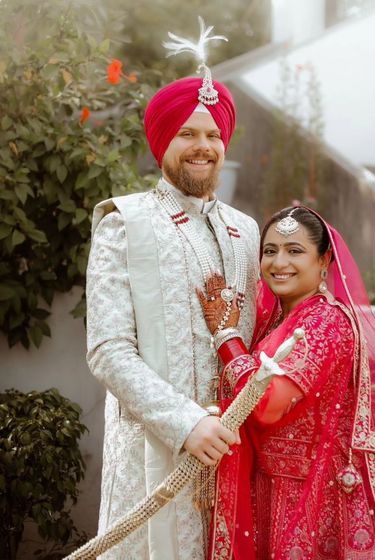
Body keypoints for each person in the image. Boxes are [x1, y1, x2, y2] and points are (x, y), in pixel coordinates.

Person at [86, 76, 260, 559]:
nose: (202, 146)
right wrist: (185, 423)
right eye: (187, 133)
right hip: (154, 452)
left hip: (233, 449)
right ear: (163, 140)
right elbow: (108, 349)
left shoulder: (246, 232)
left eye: (212, 135)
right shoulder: (126, 222)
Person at [198, 206, 375, 560]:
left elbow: (268, 404)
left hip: (313, 496)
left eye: (294, 250)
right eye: (270, 251)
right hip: (269, 486)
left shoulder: (325, 322)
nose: (279, 262)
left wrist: (226, 338)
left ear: (324, 261)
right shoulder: (275, 321)